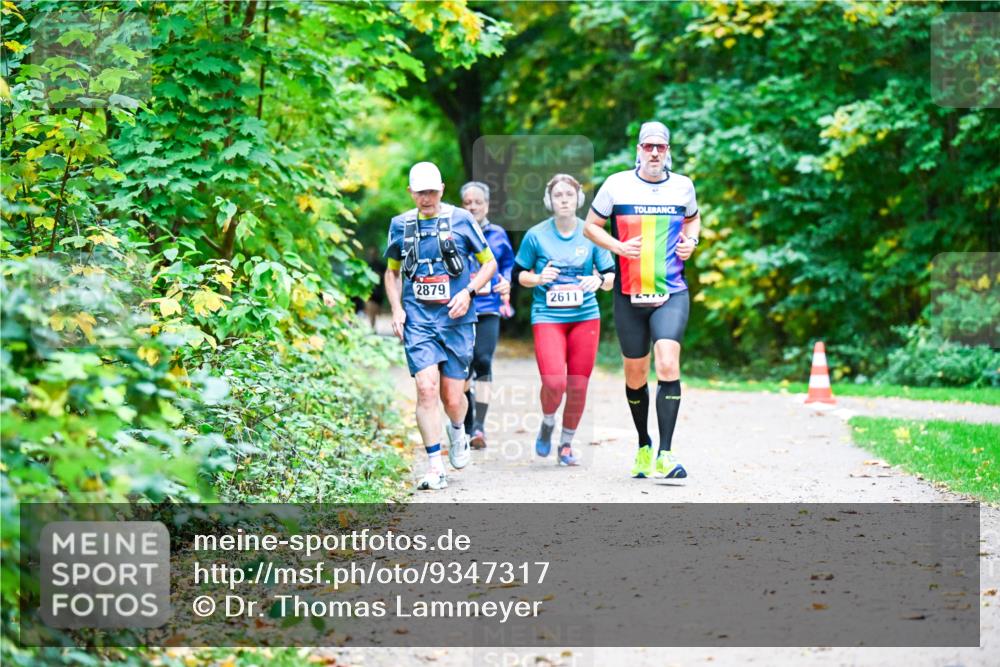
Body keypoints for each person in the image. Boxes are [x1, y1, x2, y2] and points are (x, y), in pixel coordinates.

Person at [583, 121, 700, 480]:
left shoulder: (683, 186)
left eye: (660, 148)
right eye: (647, 146)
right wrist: (617, 247)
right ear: (638, 149)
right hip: (629, 294)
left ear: (667, 152)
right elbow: (590, 226)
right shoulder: (616, 184)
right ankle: (644, 444)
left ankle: (666, 453)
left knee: (667, 364)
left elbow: (693, 221)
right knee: (636, 375)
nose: (653, 152)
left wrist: (691, 243)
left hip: (671, 291)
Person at [384, 162, 497, 490]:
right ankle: (435, 465)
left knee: (452, 397)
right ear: (411, 193)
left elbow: (488, 263)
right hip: (419, 321)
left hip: (457, 320)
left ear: (442, 190)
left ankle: (458, 429)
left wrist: (468, 291)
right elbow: (391, 272)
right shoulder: (400, 225)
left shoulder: (461, 220)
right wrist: (397, 308)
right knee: (426, 389)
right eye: (420, 192)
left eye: (432, 191)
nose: (426, 198)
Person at [514, 174, 615, 466]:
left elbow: (610, 277)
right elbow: (519, 275)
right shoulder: (536, 235)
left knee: (578, 385)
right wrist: (538, 277)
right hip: (547, 316)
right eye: (558, 195)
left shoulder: (592, 233)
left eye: (569, 195)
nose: (564, 200)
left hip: (585, 316)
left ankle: (567, 444)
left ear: (578, 200)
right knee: (555, 382)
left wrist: (598, 281)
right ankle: (548, 421)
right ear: (549, 201)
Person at [460, 181, 515, 450]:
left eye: (477, 202)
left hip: (488, 307)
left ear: (487, 205)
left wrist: (506, 283)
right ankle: (464, 425)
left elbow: (507, 268)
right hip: (459, 310)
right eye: (467, 203)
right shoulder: (454, 232)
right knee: (462, 366)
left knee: (482, 360)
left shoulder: (498, 235)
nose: (472, 207)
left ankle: (478, 427)